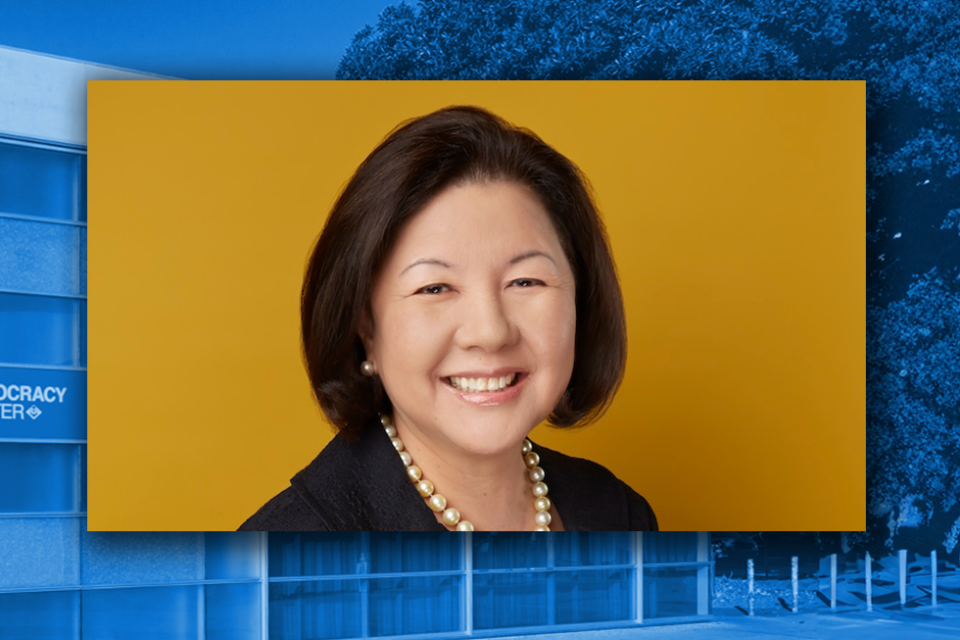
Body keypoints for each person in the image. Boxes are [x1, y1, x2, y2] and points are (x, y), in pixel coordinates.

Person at [239, 106, 657, 532]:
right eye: (435, 288)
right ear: (364, 325)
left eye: (525, 281)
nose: (490, 332)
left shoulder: (619, 514)